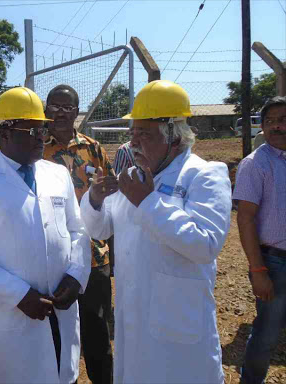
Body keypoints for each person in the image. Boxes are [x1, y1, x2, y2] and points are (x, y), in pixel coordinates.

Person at [80, 80, 232, 384]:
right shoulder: (134, 176)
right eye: (132, 133)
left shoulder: (204, 175)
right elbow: (101, 227)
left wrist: (148, 203)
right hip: (134, 316)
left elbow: (205, 244)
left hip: (178, 323)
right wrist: (95, 200)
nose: (133, 143)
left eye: (144, 134)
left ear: (174, 136)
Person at [0, 87, 91, 384]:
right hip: (12, 314)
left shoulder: (57, 174)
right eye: (32, 130)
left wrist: (76, 275)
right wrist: (18, 295)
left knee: (63, 373)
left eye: (43, 128)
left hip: (61, 307)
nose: (42, 136)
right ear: (4, 134)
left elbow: (77, 230)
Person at [44, 84, 114, 384]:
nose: (59, 113)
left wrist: (115, 251)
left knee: (98, 333)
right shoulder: (37, 150)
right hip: (55, 258)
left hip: (95, 255)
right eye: (53, 106)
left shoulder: (93, 149)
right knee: (58, 336)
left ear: (76, 111)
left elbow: (109, 199)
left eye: (66, 108)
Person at [233, 96, 286, 384]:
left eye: (283, 119)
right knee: (266, 334)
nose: (277, 126)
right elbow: (245, 218)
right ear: (262, 126)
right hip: (275, 263)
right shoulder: (255, 164)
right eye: (271, 121)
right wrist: (258, 270)